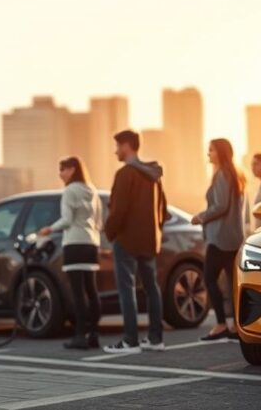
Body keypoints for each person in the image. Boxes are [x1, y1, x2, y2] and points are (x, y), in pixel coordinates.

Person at [103, 130, 167, 354]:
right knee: (151, 288)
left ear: (128, 146)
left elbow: (118, 210)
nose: (116, 151)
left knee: (126, 289)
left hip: (127, 240)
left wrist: (109, 233)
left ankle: (130, 340)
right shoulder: (154, 175)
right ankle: (156, 339)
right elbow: (163, 209)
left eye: (118, 146)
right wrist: (156, 232)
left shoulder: (125, 174)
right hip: (150, 241)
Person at [38, 156, 102, 350]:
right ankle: (94, 335)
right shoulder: (92, 190)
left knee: (77, 292)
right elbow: (99, 221)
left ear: (73, 169)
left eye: (63, 170)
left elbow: (66, 220)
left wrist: (49, 229)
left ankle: (80, 336)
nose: (60, 174)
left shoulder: (69, 191)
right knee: (92, 291)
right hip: (91, 243)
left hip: (74, 243)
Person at [192, 138, 247, 341]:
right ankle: (234, 327)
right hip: (233, 237)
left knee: (209, 278)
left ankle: (221, 324)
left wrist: (200, 217)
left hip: (220, 238)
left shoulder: (223, 175)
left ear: (221, 153)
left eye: (211, 150)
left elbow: (220, 206)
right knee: (232, 283)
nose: (208, 154)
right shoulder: (235, 175)